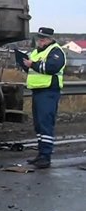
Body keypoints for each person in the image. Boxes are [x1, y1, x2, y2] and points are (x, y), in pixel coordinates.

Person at [22, 27, 66, 169]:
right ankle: (41, 154)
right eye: (39, 38)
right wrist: (25, 64)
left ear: (50, 39)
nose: (40, 41)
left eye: (43, 39)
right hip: (38, 91)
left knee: (46, 123)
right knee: (39, 124)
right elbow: (32, 68)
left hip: (49, 92)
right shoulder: (36, 52)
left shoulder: (56, 51)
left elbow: (51, 67)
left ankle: (46, 156)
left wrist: (32, 64)